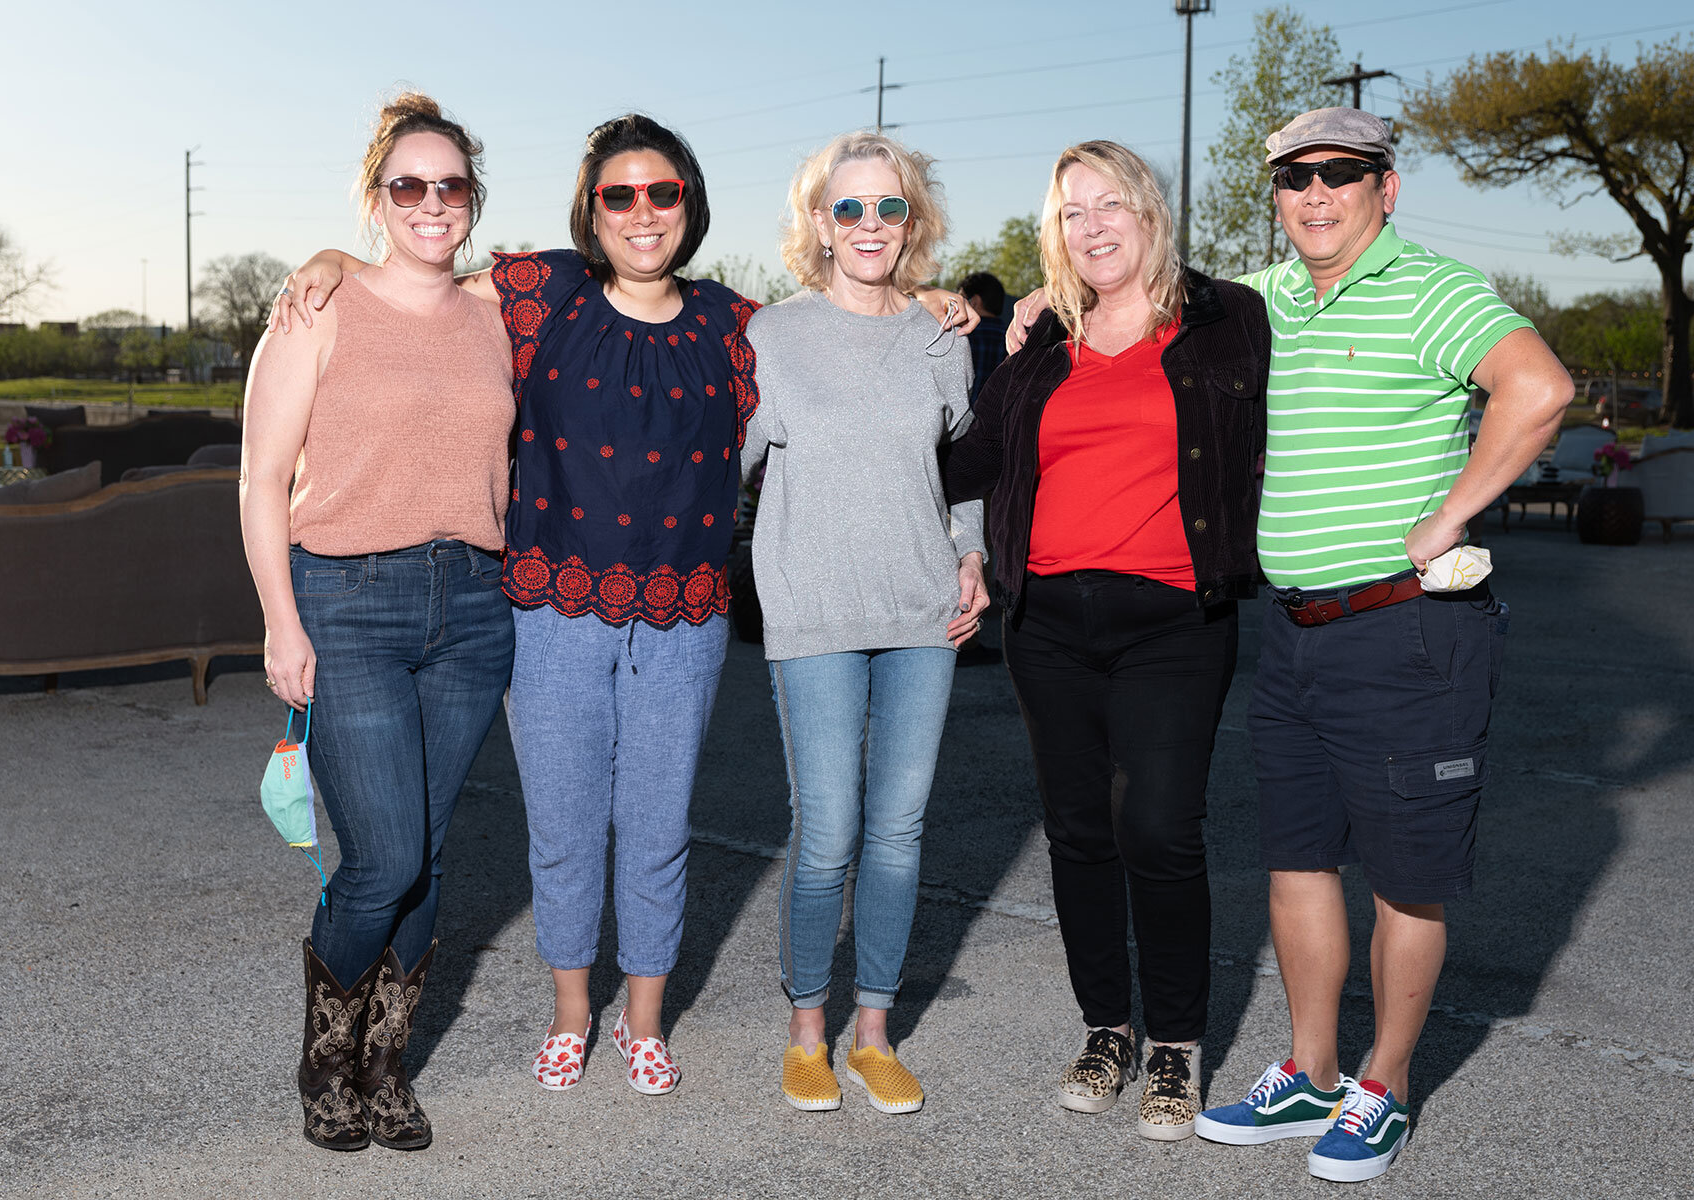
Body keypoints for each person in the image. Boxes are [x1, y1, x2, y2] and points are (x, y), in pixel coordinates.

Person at [268, 115, 976, 1100]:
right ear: (591, 211)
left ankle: (643, 1023)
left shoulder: (741, 327)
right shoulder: (540, 295)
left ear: (689, 203)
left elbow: (853, 344)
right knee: (561, 833)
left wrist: (928, 306)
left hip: (683, 623)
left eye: (663, 193)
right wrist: (332, 258)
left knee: (656, 833)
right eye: (619, 195)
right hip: (549, 617)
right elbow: (416, 273)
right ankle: (570, 1018)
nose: (642, 213)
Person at [1187, 108, 1573, 1183]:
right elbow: (1130, 314)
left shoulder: (1435, 290)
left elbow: (1538, 389)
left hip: (1408, 633)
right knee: (1298, 859)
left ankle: (1385, 1086)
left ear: (1384, 189)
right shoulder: (1260, 302)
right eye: (1294, 178)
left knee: (1406, 877)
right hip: (1294, 633)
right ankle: (1310, 1071)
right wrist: (1008, 306)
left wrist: (1448, 518)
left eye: (1339, 175)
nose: (1314, 194)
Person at [945, 140, 1269, 1141]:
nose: (1092, 225)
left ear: (1151, 212)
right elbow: (972, 458)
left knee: (1160, 831)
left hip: (1174, 618)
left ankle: (1175, 1041)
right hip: (1048, 622)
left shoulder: (1228, 321)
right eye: (1071, 211)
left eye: (1109, 203)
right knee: (1081, 834)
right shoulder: (1043, 344)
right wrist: (911, 332)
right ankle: (1107, 1027)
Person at [240, 93, 515, 1152]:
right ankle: (325, 1057)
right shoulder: (321, 308)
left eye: (452, 184)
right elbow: (264, 479)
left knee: (431, 855)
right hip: (348, 602)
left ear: (473, 199)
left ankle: (386, 1065)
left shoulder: (497, 310)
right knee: (385, 856)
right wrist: (279, 621)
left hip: (476, 611)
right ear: (375, 197)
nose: (432, 202)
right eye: (410, 184)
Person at [742, 132, 988, 1116]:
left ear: (913, 220)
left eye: (890, 208)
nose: (871, 225)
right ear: (819, 224)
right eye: (850, 208)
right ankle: (808, 1029)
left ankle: (874, 1032)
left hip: (924, 612)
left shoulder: (942, 335)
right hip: (813, 612)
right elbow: (725, 469)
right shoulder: (770, 336)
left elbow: (960, 465)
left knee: (897, 832)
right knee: (830, 828)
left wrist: (970, 552)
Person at [958, 270, 1009, 400]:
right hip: (999, 418)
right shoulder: (1013, 337)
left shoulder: (962, 335)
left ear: (974, 301)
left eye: (961, 300)